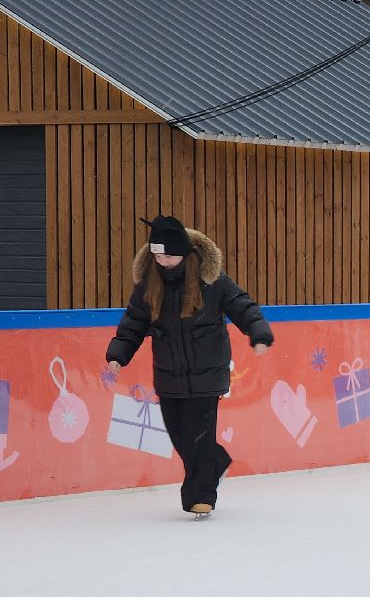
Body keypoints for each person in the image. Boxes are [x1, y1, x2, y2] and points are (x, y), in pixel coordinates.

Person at [106, 215, 274, 515]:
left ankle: (201, 498)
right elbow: (134, 322)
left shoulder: (213, 281)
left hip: (207, 373)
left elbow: (242, 306)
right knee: (179, 435)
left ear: (183, 252)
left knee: (198, 437)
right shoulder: (149, 283)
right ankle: (216, 461)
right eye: (157, 255)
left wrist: (258, 332)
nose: (162, 261)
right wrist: (119, 354)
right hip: (168, 372)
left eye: (168, 255)